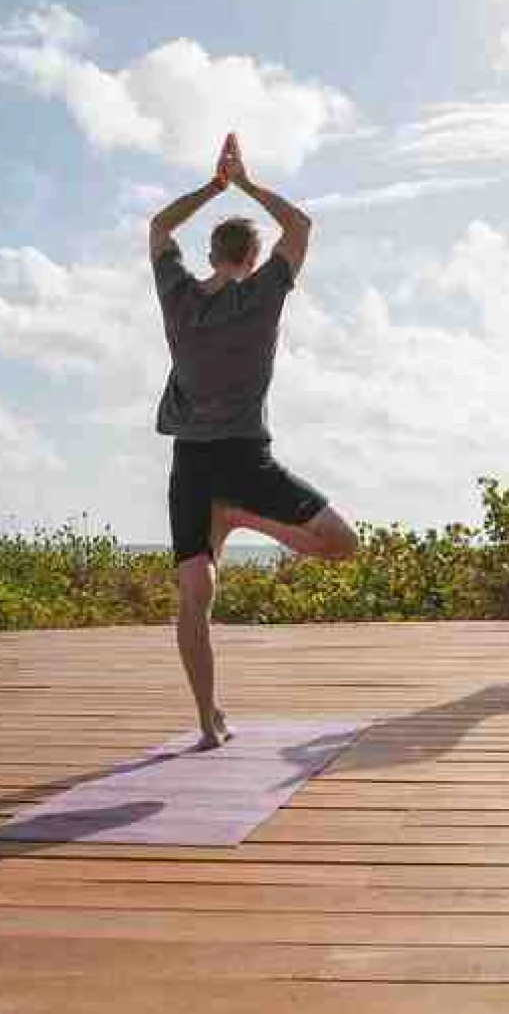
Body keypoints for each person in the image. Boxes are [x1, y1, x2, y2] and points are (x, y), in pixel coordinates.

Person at [151, 132, 359, 751]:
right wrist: (244, 183)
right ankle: (250, 520)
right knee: (342, 544)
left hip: (189, 462)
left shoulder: (178, 295)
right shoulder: (264, 293)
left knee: (195, 599)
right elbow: (301, 224)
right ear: (253, 254)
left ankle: (208, 720)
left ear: (212, 251)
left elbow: (160, 225)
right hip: (245, 456)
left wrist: (212, 187)